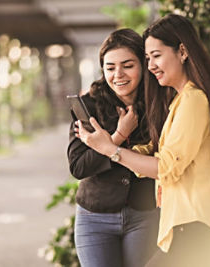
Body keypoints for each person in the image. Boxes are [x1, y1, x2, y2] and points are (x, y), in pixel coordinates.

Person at [75, 14, 210, 267]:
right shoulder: (178, 101)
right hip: (184, 225)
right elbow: (162, 152)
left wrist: (112, 149)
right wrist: (120, 143)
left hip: (194, 224)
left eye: (156, 56)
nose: (151, 66)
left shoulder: (191, 100)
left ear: (182, 52)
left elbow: (167, 167)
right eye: (148, 58)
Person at [67, 28, 160, 267]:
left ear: (143, 64)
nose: (118, 74)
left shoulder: (160, 102)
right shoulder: (88, 106)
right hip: (94, 217)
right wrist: (119, 136)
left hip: (145, 214)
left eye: (127, 65)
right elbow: (78, 166)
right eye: (110, 68)